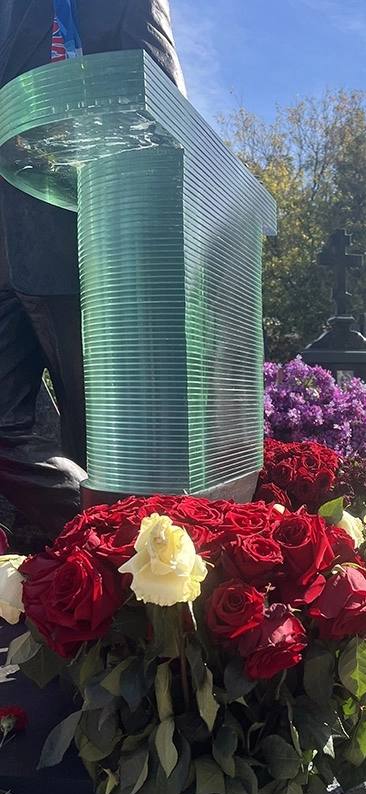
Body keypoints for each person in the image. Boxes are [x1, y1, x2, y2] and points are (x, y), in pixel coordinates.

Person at [0, 0, 185, 546]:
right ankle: (106, 540)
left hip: (88, 248)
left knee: (103, 434)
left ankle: (124, 562)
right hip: (5, 243)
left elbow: (164, 110)